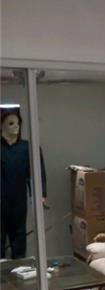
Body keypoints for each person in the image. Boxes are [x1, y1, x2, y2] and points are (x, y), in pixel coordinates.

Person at [1, 108, 47, 259]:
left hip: (19, 200)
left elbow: (37, 173)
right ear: (1, 125)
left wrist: (40, 194)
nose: (15, 126)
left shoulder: (28, 148)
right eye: (11, 123)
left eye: (18, 123)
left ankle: (19, 269)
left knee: (19, 239)